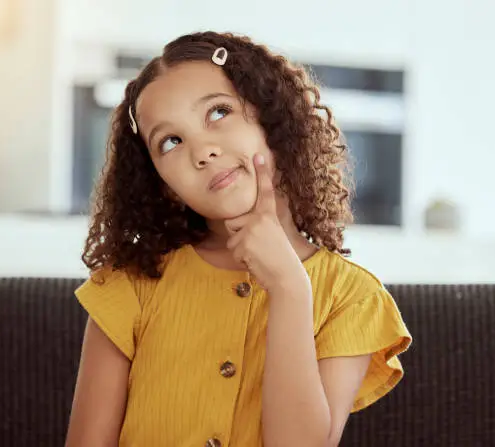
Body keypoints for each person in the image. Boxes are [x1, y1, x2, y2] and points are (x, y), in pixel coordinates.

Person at [66, 31, 412, 447]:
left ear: (271, 116)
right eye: (171, 142)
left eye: (218, 112)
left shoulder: (352, 298)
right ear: (163, 185)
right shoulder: (130, 284)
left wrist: (289, 288)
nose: (202, 151)